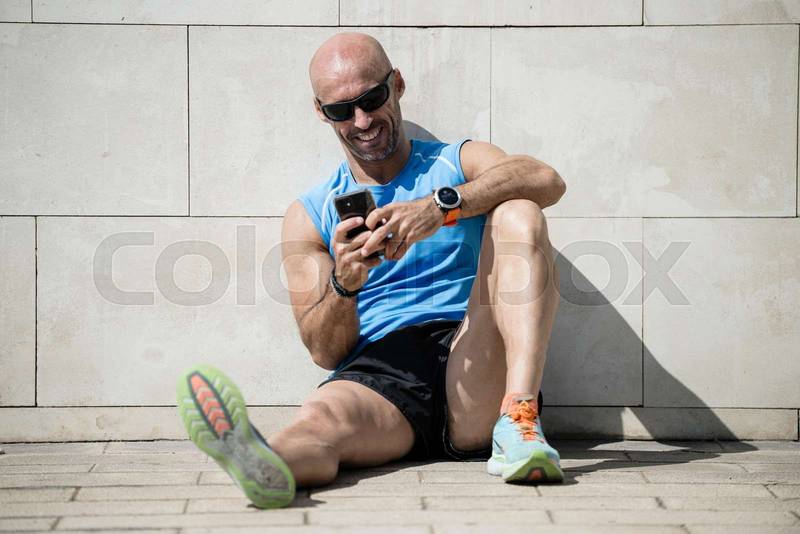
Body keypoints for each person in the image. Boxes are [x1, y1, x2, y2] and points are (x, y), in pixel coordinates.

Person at [177, 31, 566, 509]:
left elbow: (546, 180)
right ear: (321, 113)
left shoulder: (455, 161)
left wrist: (442, 206)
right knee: (319, 421)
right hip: (382, 375)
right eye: (342, 110)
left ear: (396, 84)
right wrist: (345, 282)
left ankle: (519, 420)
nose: (362, 121)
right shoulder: (309, 214)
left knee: (520, 211)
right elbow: (324, 350)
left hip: (473, 352)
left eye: (372, 99)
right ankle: (263, 461)